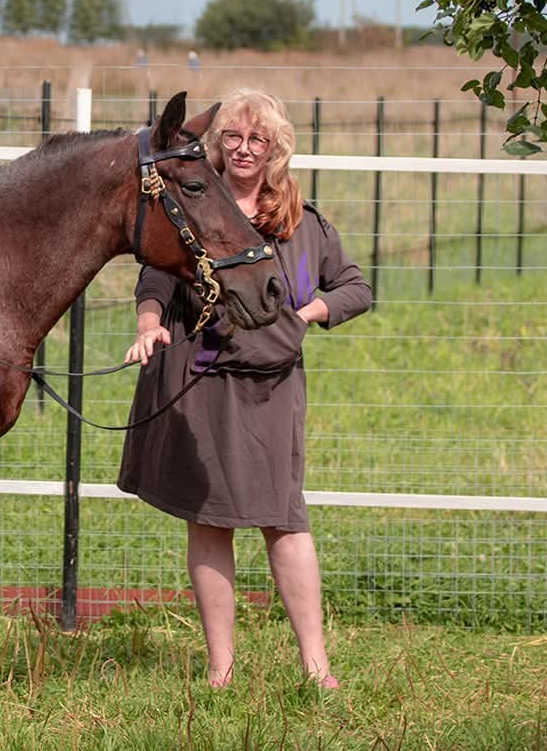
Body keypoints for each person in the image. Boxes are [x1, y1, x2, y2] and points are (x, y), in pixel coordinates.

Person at [117, 89, 372, 689]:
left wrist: (310, 312)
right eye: (232, 137)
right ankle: (220, 671)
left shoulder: (303, 224)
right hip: (203, 382)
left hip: (272, 390)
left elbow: (356, 287)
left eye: (257, 139)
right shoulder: (196, 206)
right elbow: (156, 270)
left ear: (276, 147)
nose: (243, 148)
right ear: (218, 143)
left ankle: (317, 669)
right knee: (209, 523)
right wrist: (150, 323)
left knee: (285, 521)